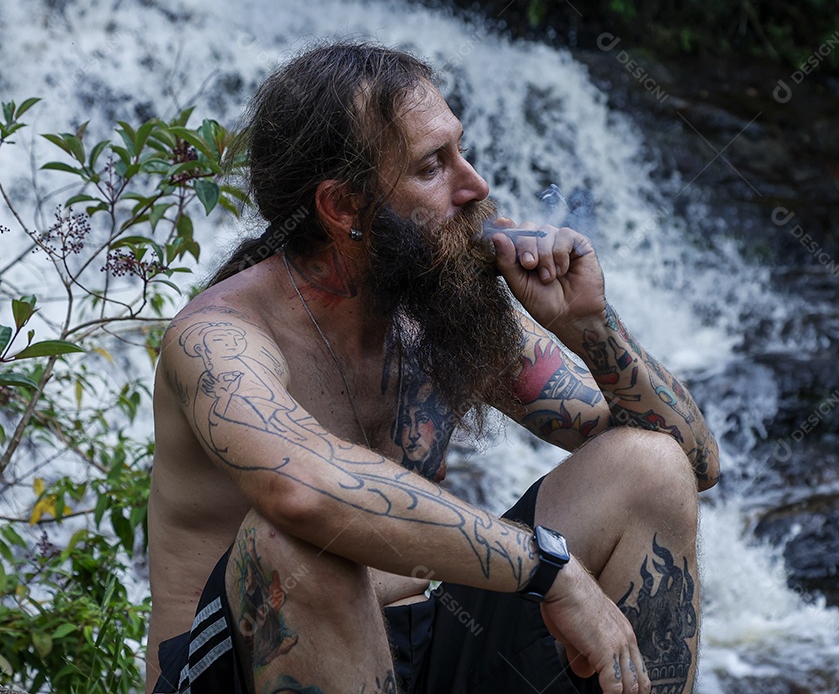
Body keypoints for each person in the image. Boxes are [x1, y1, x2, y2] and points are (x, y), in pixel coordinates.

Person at [147, 41, 719, 694]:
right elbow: (302, 493)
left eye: (460, 152)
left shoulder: (436, 309)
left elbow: (694, 462)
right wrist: (548, 570)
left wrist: (590, 326)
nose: (475, 186)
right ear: (343, 207)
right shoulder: (218, 339)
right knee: (294, 543)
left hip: (418, 645)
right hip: (239, 668)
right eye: (432, 167)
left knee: (650, 468)